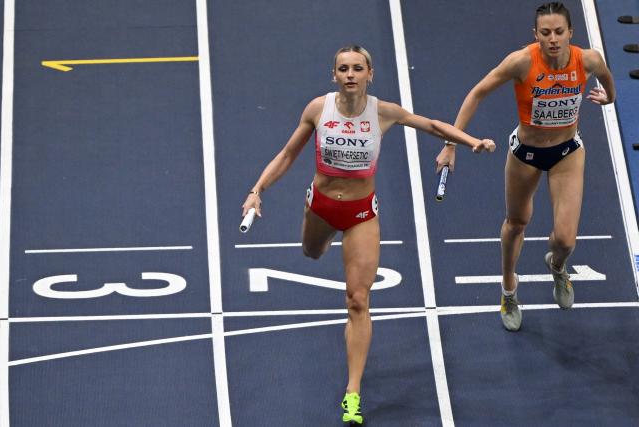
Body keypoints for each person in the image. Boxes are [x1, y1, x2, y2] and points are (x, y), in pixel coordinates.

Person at [241, 45, 495, 424]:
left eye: (357, 68)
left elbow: (431, 124)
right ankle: (324, 236)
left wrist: (467, 141)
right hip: (322, 207)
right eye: (343, 68)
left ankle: (353, 391)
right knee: (311, 252)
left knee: (358, 300)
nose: (350, 75)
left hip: (361, 214)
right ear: (334, 75)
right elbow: (288, 154)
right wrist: (257, 190)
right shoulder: (317, 109)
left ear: (369, 74)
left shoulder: (383, 112)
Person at [435, 2, 615, 332]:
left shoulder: (587, 59)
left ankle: (558, 268)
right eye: (545, 33)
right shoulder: (521, 62)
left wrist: (610, 97)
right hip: (526, 154)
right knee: (517, 222)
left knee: (565, 240)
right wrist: (451, 144)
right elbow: (477, 92)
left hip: (568, 153)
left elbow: (605, 76)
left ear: (570, 33)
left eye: (559, 32)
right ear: (536, 34)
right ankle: (508, 290)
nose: (553, 39)